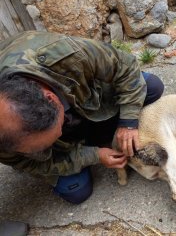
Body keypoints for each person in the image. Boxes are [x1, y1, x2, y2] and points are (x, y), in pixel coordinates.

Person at [0, 31, 164, 207]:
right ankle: (94, 137)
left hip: (86, 99)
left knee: (152, 87)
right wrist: (94, 155)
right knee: (77, 191)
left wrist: (128, 123)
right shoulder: (4, 144)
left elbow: (126, 67)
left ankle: (97, 131)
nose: (61, 135)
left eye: (59, 130)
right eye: (40, 147)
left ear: (52, 98)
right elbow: (35, 164)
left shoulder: (66, 55)